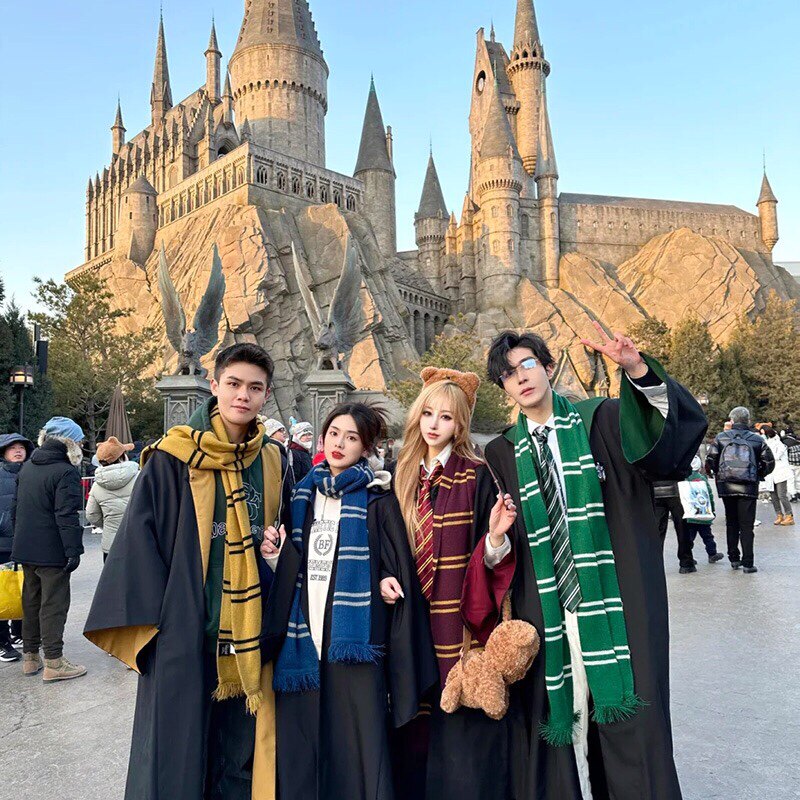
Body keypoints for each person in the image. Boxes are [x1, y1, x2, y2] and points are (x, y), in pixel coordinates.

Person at [461, 325, 707, 800]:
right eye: (509, 374)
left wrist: (637, 369)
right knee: (559, 729)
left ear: (547, 367)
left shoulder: (604, 420)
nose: (521, 377)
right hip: (547, 608)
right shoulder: (501, 452)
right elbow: (503, 549)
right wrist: (495, 539)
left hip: (619, 595)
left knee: (635, 719)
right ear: (503, 387)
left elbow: (667, 447)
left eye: (528, 364)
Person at [84, 343, 294, 800]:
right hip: (186, 632)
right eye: (234, 383)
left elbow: (288, 533)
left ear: (266, 394)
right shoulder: (171, 458)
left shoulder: (273, 460)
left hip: (250, 636)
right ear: (214, 385)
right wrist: (153, 634)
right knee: (178, 756)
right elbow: (141, 546)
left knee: (241, 759)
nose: (243, 395)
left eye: (255, 387)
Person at [260, 402, 437, 800]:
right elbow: (292, 564)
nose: (339, 444)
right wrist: (275, 557)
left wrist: (386, 577)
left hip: (355, 639)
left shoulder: (378, 500)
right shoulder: (301, 495)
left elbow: (392, 561)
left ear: (366, 447)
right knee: (304, 740)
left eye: (352, 437)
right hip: (304, 631)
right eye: (334, 434)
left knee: (357, 739)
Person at [387, 367, 516, 800]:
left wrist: (495, 537)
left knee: (457, 724)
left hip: (457, 620)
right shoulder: (401, 474)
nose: (434, 424)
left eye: (446, 417)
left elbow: (492, 556)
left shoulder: (477, 475)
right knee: (412, 720)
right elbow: (388, 545)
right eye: (427, 413)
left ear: (460, 424)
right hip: (408, 616)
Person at [11, 417, 86, 681]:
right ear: (69, 442)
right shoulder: (65, 471)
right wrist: (73, 550)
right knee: (54, 603)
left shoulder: (28, 467)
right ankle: (54, 661)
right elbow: (67, 515)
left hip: (26, 546)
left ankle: (30, 657)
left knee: (31, 601)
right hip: (52, 550)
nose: (81, 445)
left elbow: (16, 508)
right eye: (79, 441)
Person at [706, 407, 774, 574]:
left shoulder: (721, 438)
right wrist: (758, 474)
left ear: (732, 420)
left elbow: (710, 460)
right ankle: (748, 563)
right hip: (749, 485)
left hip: (727, 484)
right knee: (747, 526)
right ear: (748, 420)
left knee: (731, 523)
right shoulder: (757, 439)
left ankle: (734, 559)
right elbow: (769, 462)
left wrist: (718, 474)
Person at [0, 432, 34, 662]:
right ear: (4, 452)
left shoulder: (31, 472)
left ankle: (19, 632)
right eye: (13, 447)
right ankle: (3, 642)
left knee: (25, 587)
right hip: (3, 543)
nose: (18, 450)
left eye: (21, 447)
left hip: (27, 541)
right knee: (3, 591)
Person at [85, 436, 140, 562]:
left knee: (112, 574)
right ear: (122, 457)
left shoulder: (97, 485)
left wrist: (108, 523)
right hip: (138, 540)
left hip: (111, 544)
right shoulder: (139, 477)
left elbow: (91, 514)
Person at [679, 456, 723, 565]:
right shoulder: (702, 479)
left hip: (690, 516)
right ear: (699, 467)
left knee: (689, 538)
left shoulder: (684, 479)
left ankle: (688, 556)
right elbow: (709, 496)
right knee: (708, 536)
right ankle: (712, 554)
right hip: (703, 514)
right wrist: (712, 510)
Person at [652, 479, 695, 573]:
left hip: (655, 489)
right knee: (682, 528)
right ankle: (686, 562)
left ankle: (655, 563)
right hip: (677, 489)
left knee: (657, 530)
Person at [761, 426, 794, 525]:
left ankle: (789, 516)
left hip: (780, 472)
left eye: (763, 434)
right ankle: (779, 515)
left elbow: (776, 456)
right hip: (770, 474)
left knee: (781, 495)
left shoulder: (780, 444)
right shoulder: (766, 443)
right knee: (773, 496)